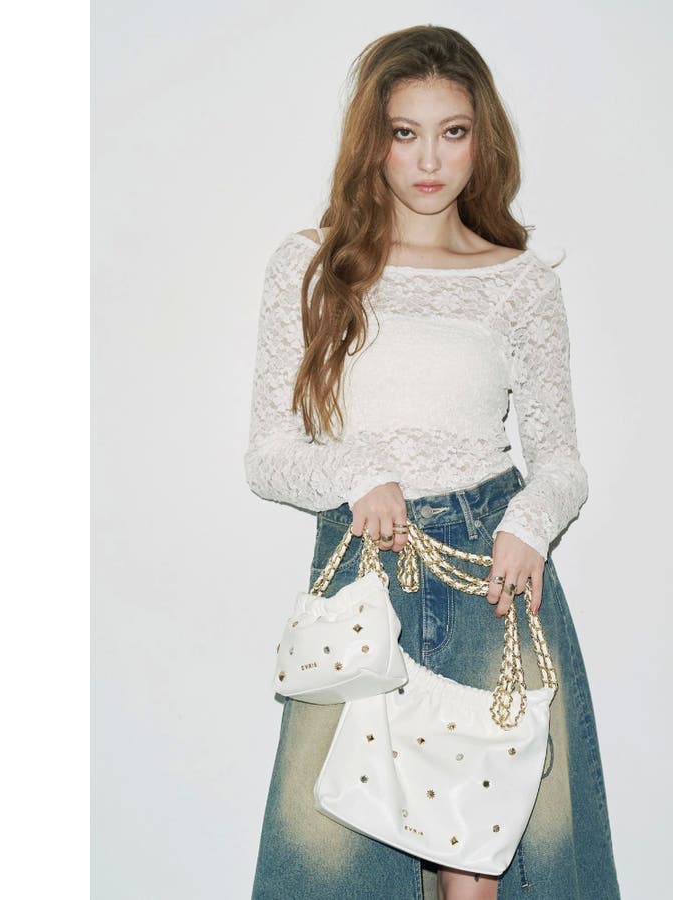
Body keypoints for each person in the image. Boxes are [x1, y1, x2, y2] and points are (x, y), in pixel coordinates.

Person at [243, 24, 621, 900]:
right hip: (364, 573)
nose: (427, 159)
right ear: (373, 142)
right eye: (404, 132)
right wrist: (356, 476)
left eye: (452, 132)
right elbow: (267, 456)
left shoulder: (519, 281)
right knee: (329, 850)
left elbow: (561, 462)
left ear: (482, 141)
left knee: (482, 863)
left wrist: (529, 525)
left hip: (494, 574)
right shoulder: (311, 266)